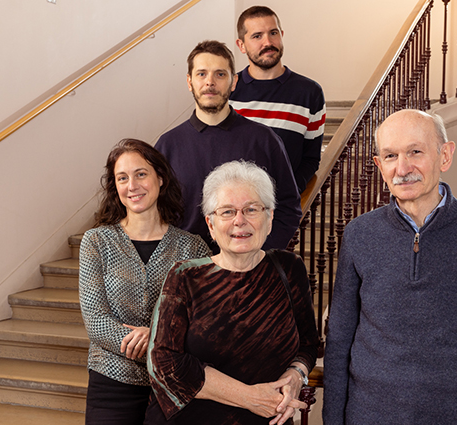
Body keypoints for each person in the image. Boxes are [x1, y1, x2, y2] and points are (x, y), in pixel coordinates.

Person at [323, 110, 457, 424]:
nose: (402, 168)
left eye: (415, 152)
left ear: (445, 156)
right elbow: (338, 339)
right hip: (369, 416)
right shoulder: (359, 234)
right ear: (379, 166)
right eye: (390, 156)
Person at [144, 161, 320, 425]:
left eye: (251, 209)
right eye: (227, 212)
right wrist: (250, 397)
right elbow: (164, 363)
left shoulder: (289, 268)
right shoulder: (184, 276)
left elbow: (308, 344)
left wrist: (296, 375)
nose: (240, 221)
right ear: (211, 224)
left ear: (269, 218)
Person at [78, 139, 211, 425]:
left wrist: (152, 337)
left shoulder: (193, 248)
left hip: (173, 384)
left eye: (141, 174)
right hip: (111, 382)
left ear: (160, 178)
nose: (132, 185)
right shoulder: (96, 242)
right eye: (122, 178)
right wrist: (160, 342)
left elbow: (201, 320)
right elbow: (96, 321)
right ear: (115, 187)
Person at [155, 40, 301, 254]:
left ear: (234, 82)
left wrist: (261, 253)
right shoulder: (167, 145)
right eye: (202, 74)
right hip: (185, 271)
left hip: (248, 266)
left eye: (220, 74)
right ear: (189, 81)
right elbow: (155, 214)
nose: (210, 82)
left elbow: (288, 206)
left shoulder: (263, 140)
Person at [229, 6, 326, 193]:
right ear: (241, 45)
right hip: (231, 207)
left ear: (281, 35)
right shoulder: (228, 90)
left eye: (273, 33)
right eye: (257, 36)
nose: (268, 42)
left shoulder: (309, 93)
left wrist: (288, 195)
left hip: (282, 211)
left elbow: (311, 159)